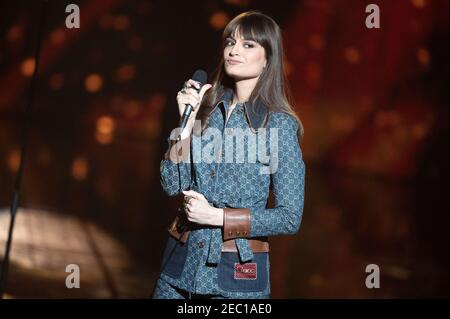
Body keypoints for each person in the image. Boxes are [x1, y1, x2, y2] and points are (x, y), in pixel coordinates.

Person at [153, 11, 306, 299]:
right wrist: (185, 125)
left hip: (235, 280)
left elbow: (289, 217)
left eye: (249, 45)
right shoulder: (207, 110)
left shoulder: (279, 125)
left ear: (268, 59)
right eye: (230, 42)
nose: (234, 50)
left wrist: (218, 217)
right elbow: (171, 184)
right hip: (178, 268)